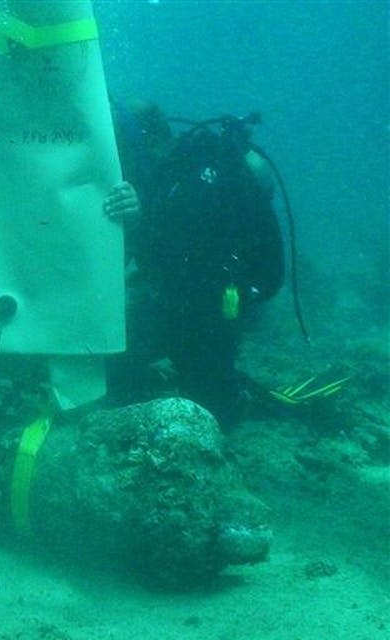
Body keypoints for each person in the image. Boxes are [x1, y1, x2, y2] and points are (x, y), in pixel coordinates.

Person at [104, 100, 286, 428]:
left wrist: (139, 219)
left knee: (213, 416)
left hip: (212, 313)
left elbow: (185, 251)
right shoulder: (163, 178)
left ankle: (238, 395)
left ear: (147, 140)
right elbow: (145, 255)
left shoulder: (196, 179)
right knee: (109, 369)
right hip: (167, 303)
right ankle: (167, 380)